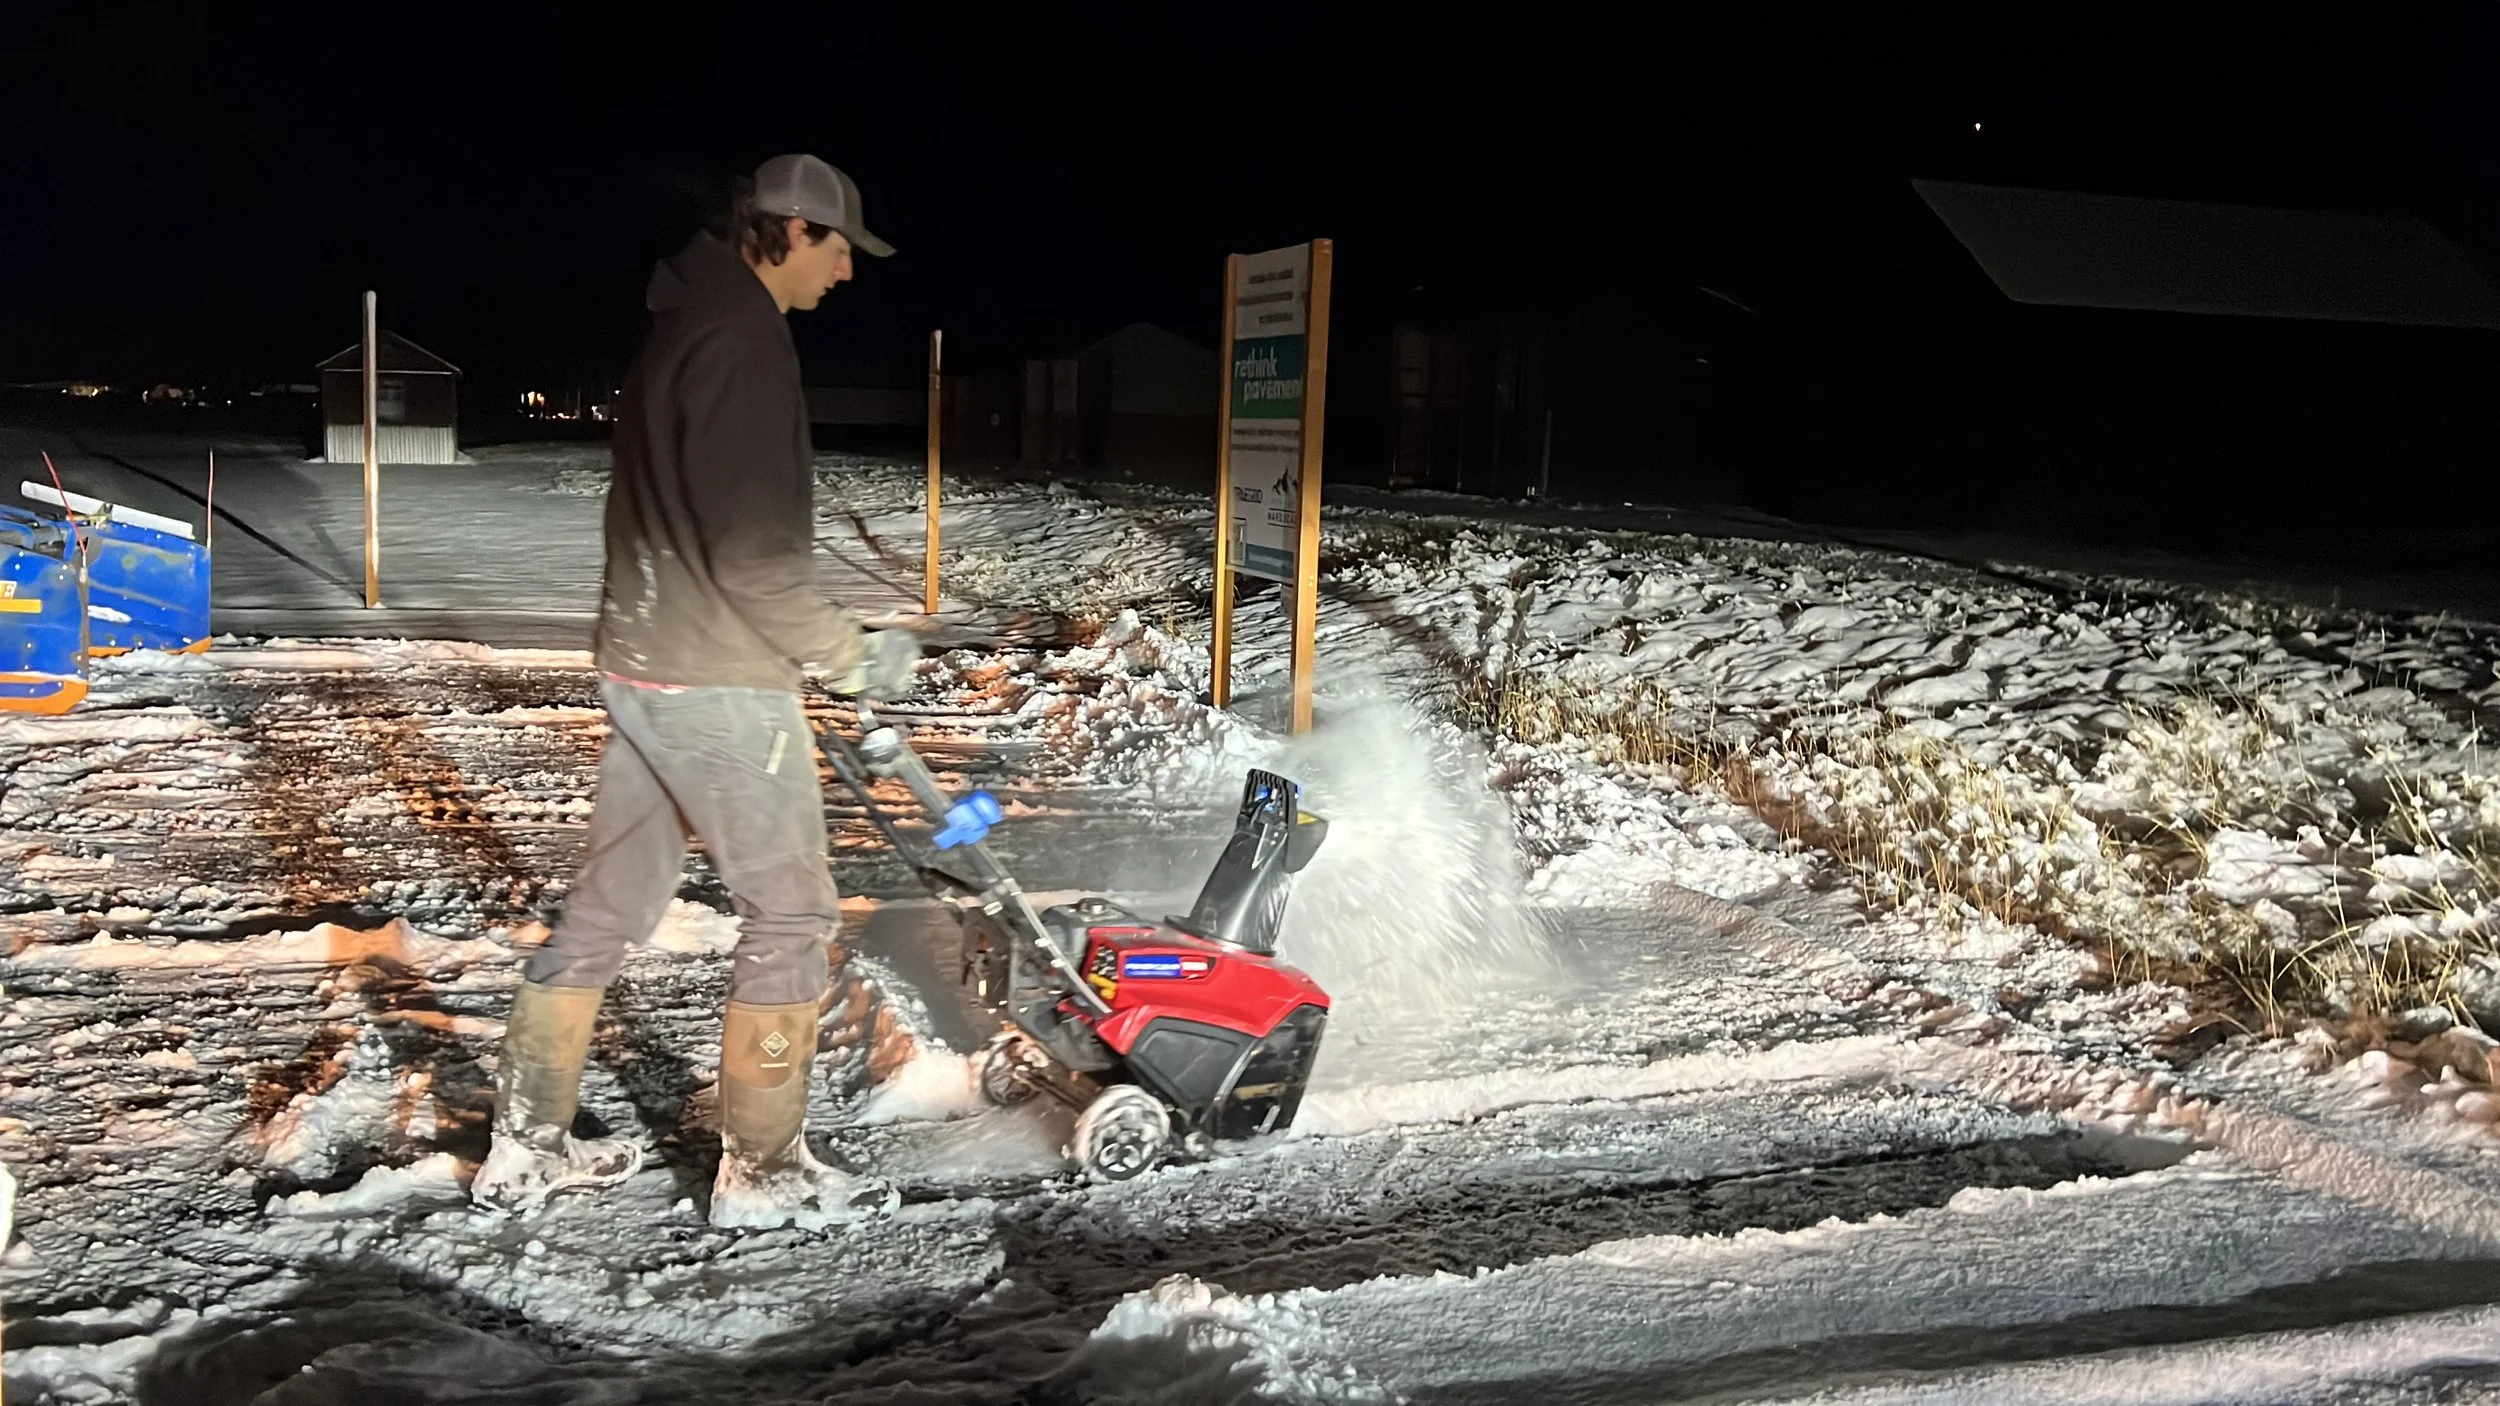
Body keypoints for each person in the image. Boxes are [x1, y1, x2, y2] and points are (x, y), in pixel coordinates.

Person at [473, 155, 918, 1229]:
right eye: (840, 247)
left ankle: (525, 1142)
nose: (848, 273)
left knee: (611, 904)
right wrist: (849, 651)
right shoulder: (743, 343)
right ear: (792, 229)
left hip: (645, 658)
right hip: (715, 676)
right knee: (794, 909)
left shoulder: (683, 323)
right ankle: (763, 1171)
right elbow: (753, 557)